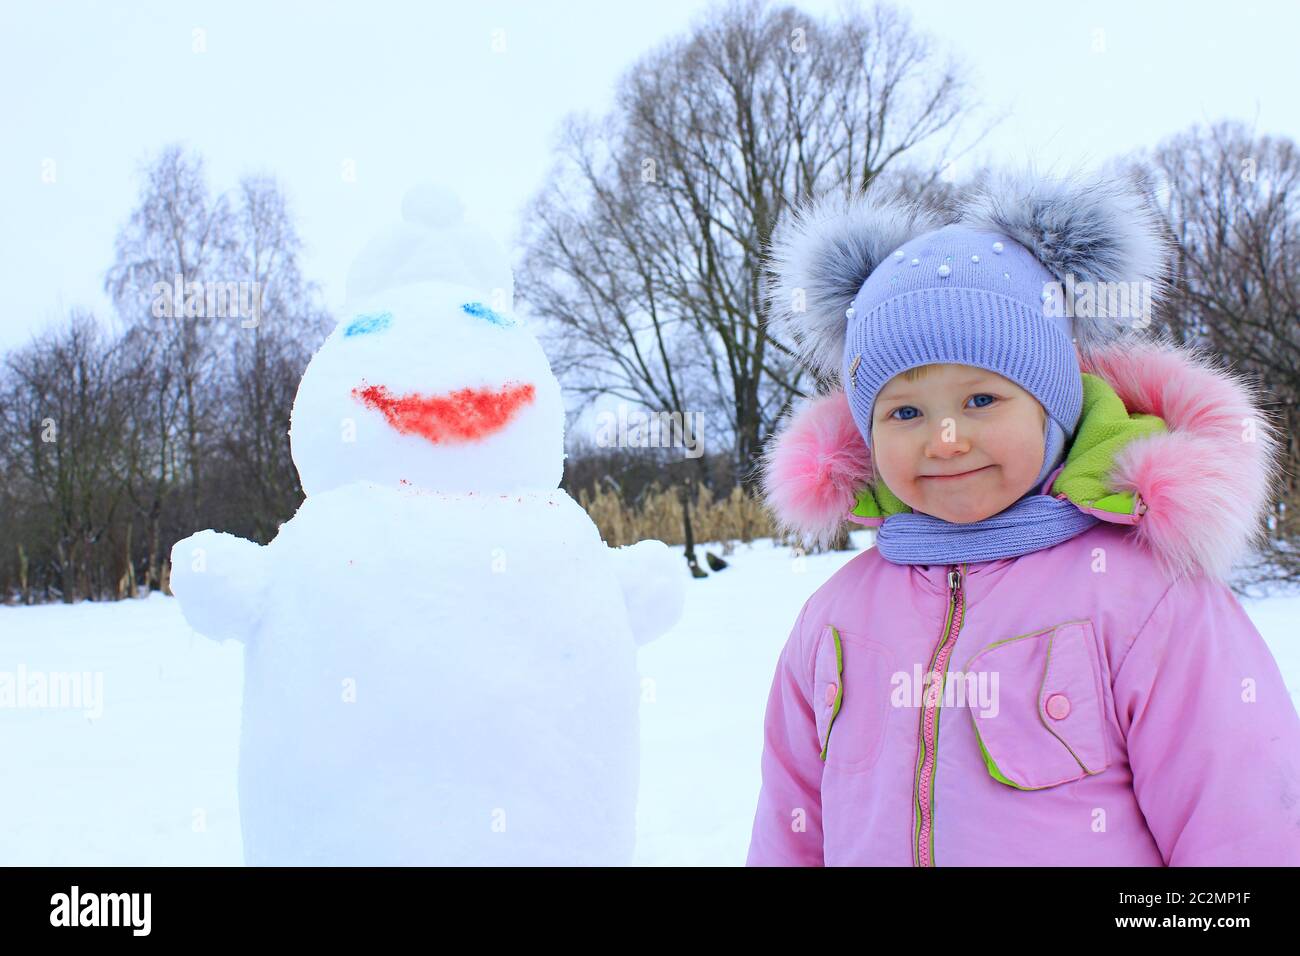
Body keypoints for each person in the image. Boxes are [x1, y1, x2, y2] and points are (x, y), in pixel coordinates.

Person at [746, 168, 1300, 866]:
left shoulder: (1147, 599)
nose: (945, 438)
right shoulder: (834, 617)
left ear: (1054, 404)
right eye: (906, 412)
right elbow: (789, 828)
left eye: (981, 400)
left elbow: (1245, 825)